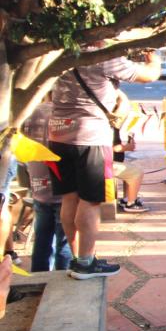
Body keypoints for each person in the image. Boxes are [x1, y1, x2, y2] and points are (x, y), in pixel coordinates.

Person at [48, 49, 159, 278]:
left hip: (57, 134)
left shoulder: (59, 51)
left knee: (70, 198)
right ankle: (86, 263)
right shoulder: (103, 55)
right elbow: (149, 74)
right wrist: (152, 56)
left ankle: (79, 258)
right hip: (90, 137)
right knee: (90, 200)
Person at [23, 97, 72, 272]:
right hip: (63, 189)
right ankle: (61, 281)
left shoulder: (29, 112)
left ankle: (38, 277)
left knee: (42, 238)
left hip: (38, 186)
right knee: (64, 241)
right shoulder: (67, 113)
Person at [110, 90, 147, 213]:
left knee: (130, 169)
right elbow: (111, 148)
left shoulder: (113, 124)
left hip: (111, 161)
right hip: (105, 164)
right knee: (136, 172)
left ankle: (127, 198)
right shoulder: (108, 125)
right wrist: (127, 147)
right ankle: (131, 203)